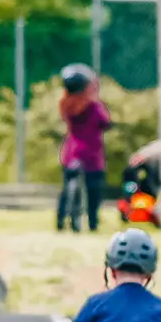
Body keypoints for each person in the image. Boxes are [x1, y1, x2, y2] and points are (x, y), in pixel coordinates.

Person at [57, 63, 113, 232]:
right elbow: (106, 122)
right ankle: (93, 221)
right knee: (94, 189)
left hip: (72, 153)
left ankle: (61, 219)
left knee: (67, 187)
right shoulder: (94, 107)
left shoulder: (66, 104)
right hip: (92, 155)